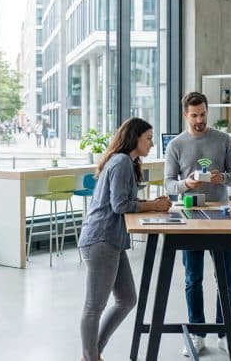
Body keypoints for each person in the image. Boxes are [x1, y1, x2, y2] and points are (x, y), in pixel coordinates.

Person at [78, 117, 172, 361]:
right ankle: (91, 357)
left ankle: (92, 354)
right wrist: (153, 205)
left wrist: (152, 205)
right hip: (101, 239)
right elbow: (120, 205)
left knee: (127, 299)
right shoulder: (121, 162)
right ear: (134, 138)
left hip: (112, 240)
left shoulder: (127, 162)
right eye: (148, 139)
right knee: (93, 307)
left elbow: (123, 202)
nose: (151, 144)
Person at [164, 91, 231, 357]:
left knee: (227, 279)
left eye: (203, 114)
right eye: (194, 115)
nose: (199, 120)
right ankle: (197, 334)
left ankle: (225, 333)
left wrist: (222, 178)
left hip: (221, 215)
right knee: (192, 278)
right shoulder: (175, 145)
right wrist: (186, 184)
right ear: (185, 115)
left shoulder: (223, 140)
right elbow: (168, 184)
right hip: (191, 216)